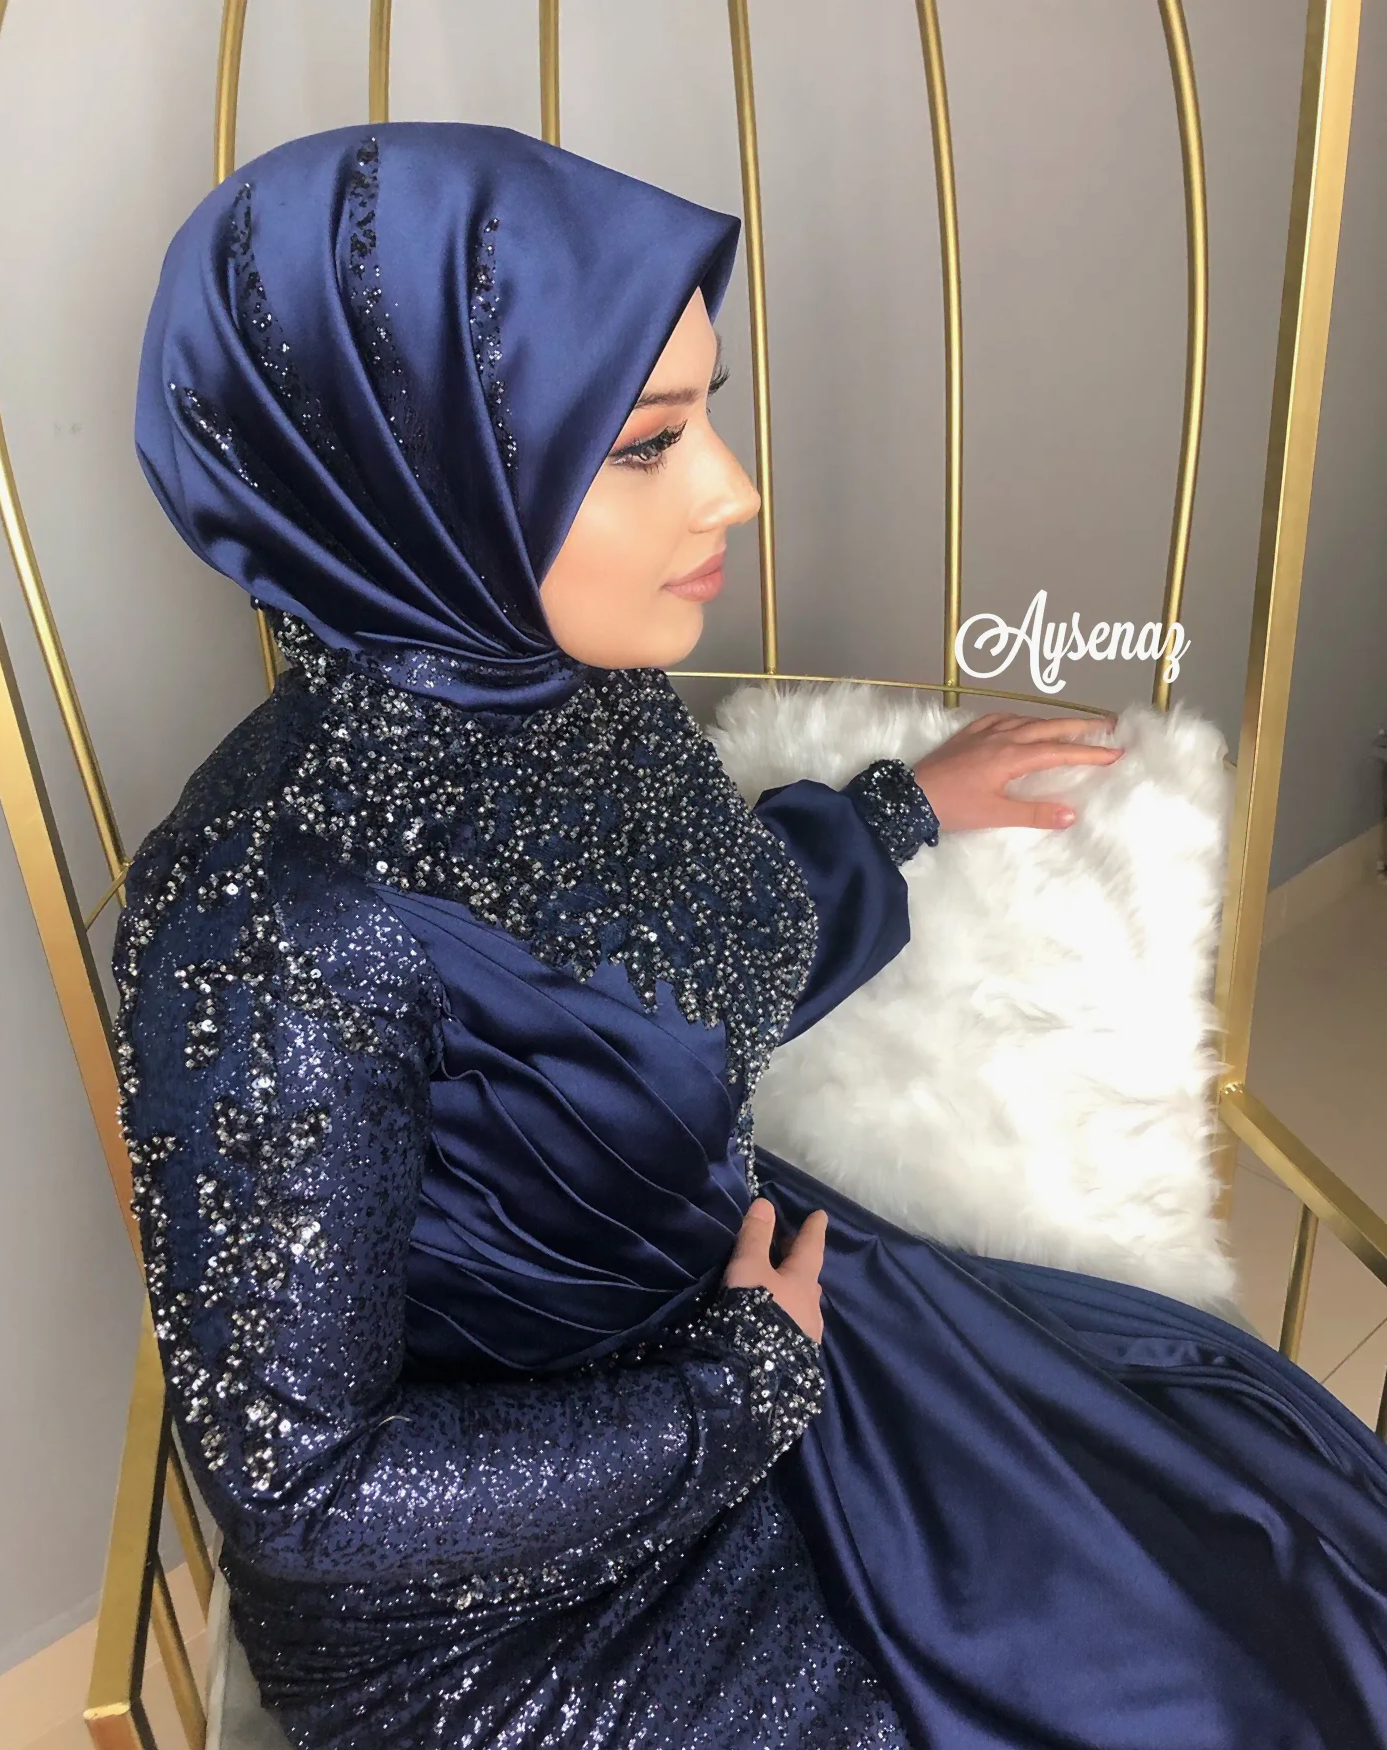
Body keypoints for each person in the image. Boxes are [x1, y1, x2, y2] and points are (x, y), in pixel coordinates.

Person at [118, 122, 1387, 1750]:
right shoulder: (268, 921)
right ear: (416, 478)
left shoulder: (576, 693)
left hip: (737, 1319)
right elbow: (305, 1492)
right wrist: (728, 1393)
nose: (736, 485)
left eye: (703, 412)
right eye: (651, 441)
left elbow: (691, 955)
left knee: (1243, 1565)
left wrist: (901, 811)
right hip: (507, 1624)